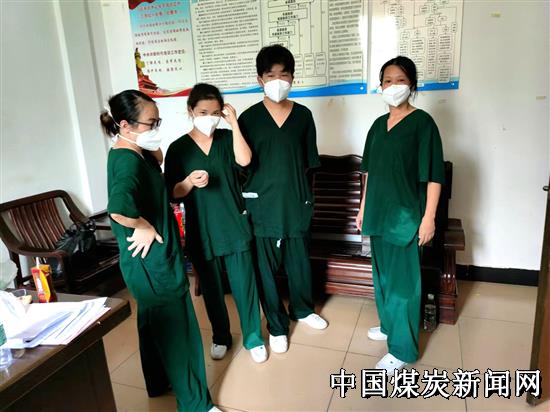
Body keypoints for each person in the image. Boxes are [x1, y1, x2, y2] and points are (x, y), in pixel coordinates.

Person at [100, 90, 219, 412]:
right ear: (125, 125)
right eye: (150, 123)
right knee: (178, 330)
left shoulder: (133, 152)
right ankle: (196, 405)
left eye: (158, 122)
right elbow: (119, 209)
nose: (156, 129)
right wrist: (142, 225)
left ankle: (157, 381)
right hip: (152, 263)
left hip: (147, 263)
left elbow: (161, 170)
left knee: (153, 321)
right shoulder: (128, 162)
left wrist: (149, 141)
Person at [164, 84, 267, 363]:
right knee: (211, 289)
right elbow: (172, 192)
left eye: (215, 112)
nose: (209, 118)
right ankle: (220, 336)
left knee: (245, 285)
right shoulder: (178, 149)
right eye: (203, 112)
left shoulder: (227, 138)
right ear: (191, 111)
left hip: (234, 224)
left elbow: (245, 160)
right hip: (202, 228)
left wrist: (234, 124)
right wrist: (188, 182)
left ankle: (253, 337)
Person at [356, 56, 445, 375]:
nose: (393, 86)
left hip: (406, 217)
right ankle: (388, 325)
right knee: (382, 278)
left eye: (401, 80)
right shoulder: (377, 126)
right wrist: (362, 207)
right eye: (387, 81)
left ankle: (403, 348)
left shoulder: (423, 124)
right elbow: (368, 173)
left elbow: (434, 175)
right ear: (380, 86)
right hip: (378, 213)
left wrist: (429, 218)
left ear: (413, 85)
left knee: (403, 285)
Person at [238, 45, 328, 355]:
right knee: (265, 271)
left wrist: (307, 200)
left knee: (299, 263)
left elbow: (310, 163)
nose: (278, 80)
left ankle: (302, 309)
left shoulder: (303, 116)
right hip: (261, 205)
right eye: (270, 75)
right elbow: (241, 165)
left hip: (295, 202)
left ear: (292, 77)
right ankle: (276, 326)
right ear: (259, 79)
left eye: (284, 74)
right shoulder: (248, 119)